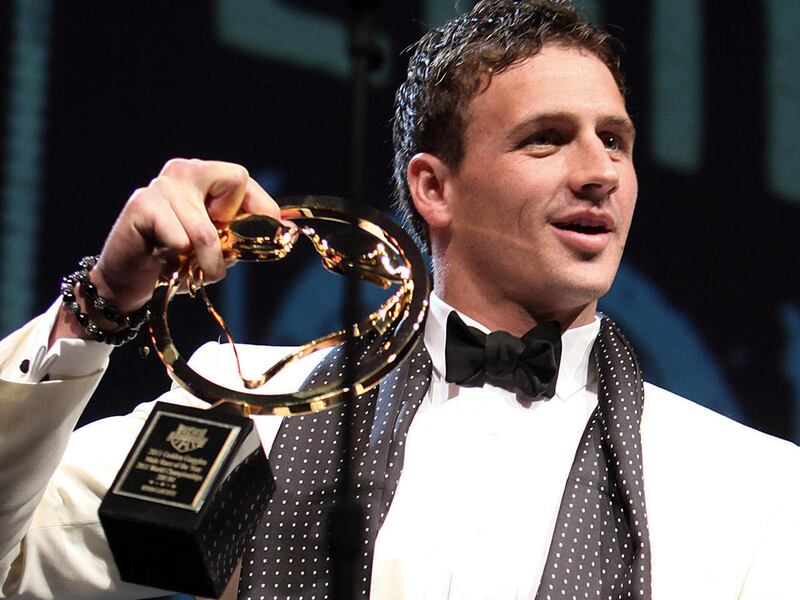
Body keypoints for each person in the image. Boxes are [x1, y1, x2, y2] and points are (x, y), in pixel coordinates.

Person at [1, 1, 798, 599]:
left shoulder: (754, 489)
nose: (599, 172)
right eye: (546, 138)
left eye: (615, 139)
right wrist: (102, 303)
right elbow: (13, 560)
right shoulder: (253, 408)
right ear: (434, 187)